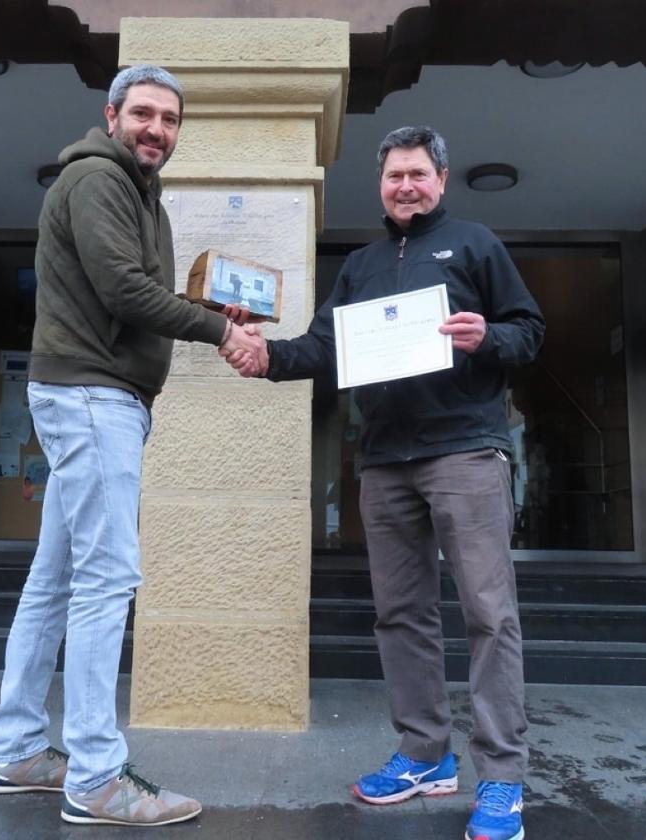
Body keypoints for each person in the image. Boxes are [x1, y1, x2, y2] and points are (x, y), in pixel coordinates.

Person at [224, 126, 545, 840]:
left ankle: (502, 777)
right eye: (394, 176)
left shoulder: (475, 245)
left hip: (465, 450)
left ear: (441, 179)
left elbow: (529, 330)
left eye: (417, 174)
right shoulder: (362, 266)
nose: (406, 186)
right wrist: (265, 358)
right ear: (381, 185)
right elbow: (322, 348)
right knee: (401, 613)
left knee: (489, 614)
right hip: (385, 461)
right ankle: (425, 753)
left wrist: (487, 337)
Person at [0, 64, 260, 828]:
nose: (156, 129)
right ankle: (97, 776)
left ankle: (15, 750)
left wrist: (208, 305)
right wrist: (220, 330)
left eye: (169, 119)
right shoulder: (99, 178)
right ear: (112, 116)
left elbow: (129, 287)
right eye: (143, 113)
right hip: (92, 395)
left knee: (55, 580)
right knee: (107, 578)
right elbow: (121, 290)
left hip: (95, 395)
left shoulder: (138, 194)